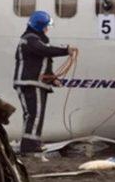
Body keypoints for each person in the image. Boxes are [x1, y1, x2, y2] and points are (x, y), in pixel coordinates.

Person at [13, 10, 78, 155]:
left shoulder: (35, 40)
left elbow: (42, 63)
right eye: (46, 26)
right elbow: (44, 51)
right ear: (40, 27)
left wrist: (53, 78)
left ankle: (32, 143)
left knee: (34, 114)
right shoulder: (30, 40)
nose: (47, 29)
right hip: (30, 83)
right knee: (33, 115)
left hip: (35, 83)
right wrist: (65, 51)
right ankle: (30, 146)